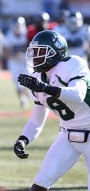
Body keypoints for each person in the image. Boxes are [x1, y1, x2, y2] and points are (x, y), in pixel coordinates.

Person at [13, 30, 90, 191]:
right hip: (67, 135)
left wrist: (44, 88)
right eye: (33, 51)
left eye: (40, 52)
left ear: (55, 53)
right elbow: (36, 120)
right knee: (39, 186)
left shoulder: (73, 64)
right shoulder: (37, 77)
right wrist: (23, 139)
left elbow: (78, 95)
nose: (34, 56)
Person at [3, 16, 32, 109]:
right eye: (16, 26)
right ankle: (23, 99)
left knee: (30, 79)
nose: (17, 28)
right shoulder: (9, 36)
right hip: (14, 62)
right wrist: (13, 56)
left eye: (19, 26)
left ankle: (28, 94)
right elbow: (5, 50)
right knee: (18, 82)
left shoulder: (27, 34)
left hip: (27, 61)